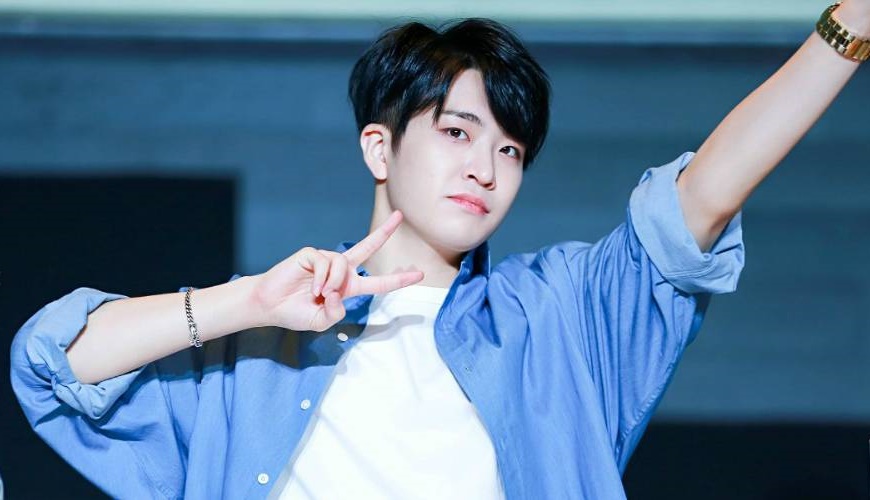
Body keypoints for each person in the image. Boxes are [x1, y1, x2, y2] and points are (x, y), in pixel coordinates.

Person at [9, 2, 869, 499]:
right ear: (379, 148)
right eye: (457, 132)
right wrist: (246, 305)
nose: (485, 168)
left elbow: (704, 197)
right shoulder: (262, 343)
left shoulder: (562, 316)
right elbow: (51, 363)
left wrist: (847, 28)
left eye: (510, 150)